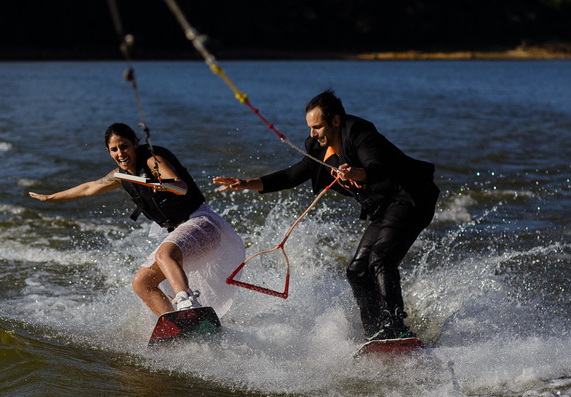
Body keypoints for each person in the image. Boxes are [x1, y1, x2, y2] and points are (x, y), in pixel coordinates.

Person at [214, 89, 439, 341]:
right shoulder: (318, 149)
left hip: (412, 197)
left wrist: (356, 173)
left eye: (318, 127)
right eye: (310, 127)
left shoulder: (358, 132)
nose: (312, 133)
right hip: (384, 208)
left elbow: (377, 166)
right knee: (357, 271)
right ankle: (377, 333)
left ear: (335, 121)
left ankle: (398, 329)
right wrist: (245, 183)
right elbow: (290, 176)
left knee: (381, 258)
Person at [30, 123, 246, 318]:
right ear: (108, 151)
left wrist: (166, 184)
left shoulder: (153, 160)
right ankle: (176, 324)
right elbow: (90, 187)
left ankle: (187, 306)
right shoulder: (121, 175)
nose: (120, 153)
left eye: (124, 146)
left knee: (164, 254)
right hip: (180, 231)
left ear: (135, 143)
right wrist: (50, 198)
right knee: (142, 283)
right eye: (114, 149)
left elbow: (181, 186)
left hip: (202, 224)